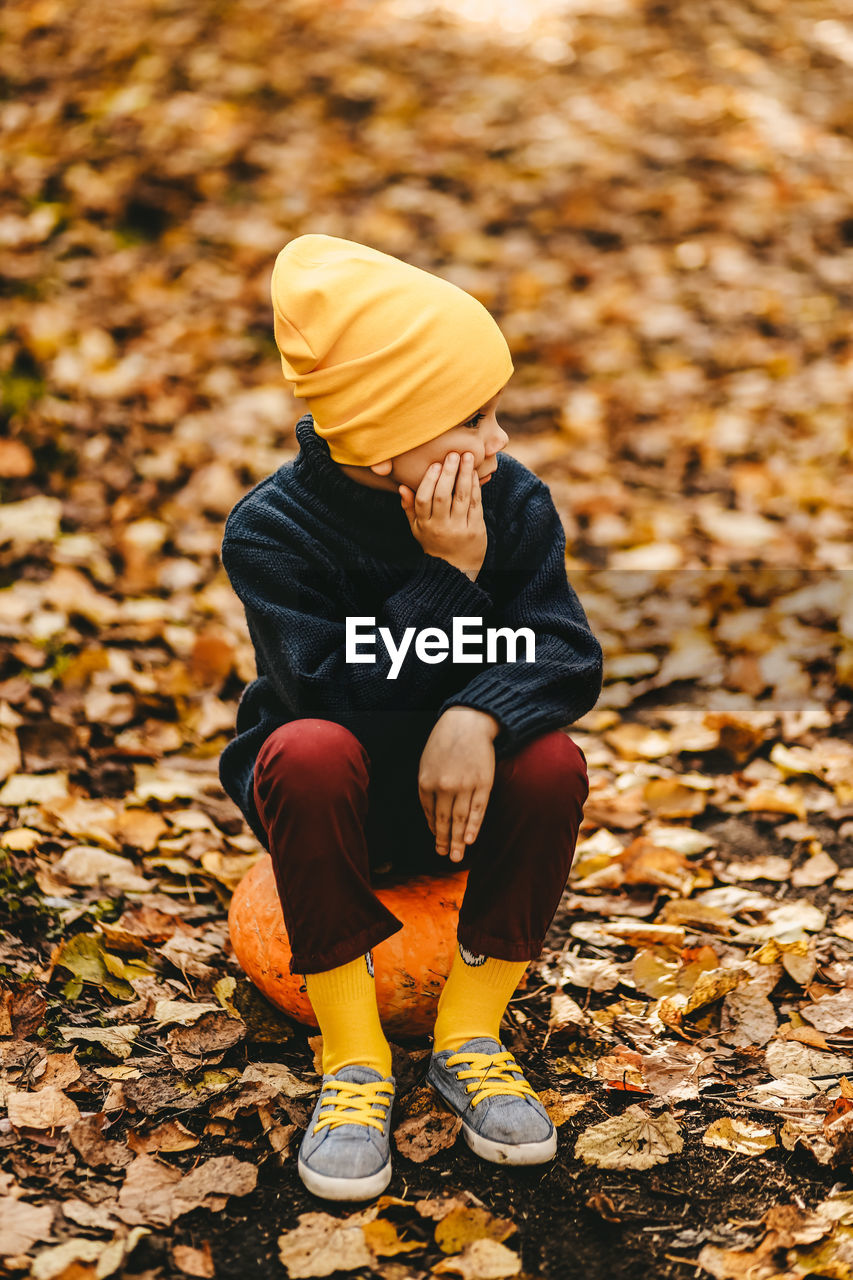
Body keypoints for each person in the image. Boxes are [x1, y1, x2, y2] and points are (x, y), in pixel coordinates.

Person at [218, 233, 603, 1202]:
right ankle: (354, 1058)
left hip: (460, 813)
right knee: (302, 748)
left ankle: (467, 1034)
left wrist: (477, 711)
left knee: (551, 758)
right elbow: (327, 689)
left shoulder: (509, 502)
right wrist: (446, 579)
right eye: (471, 418)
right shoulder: (273, 532)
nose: (499, 440)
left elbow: (563, 647)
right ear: (386, 434)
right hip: (334, 804)